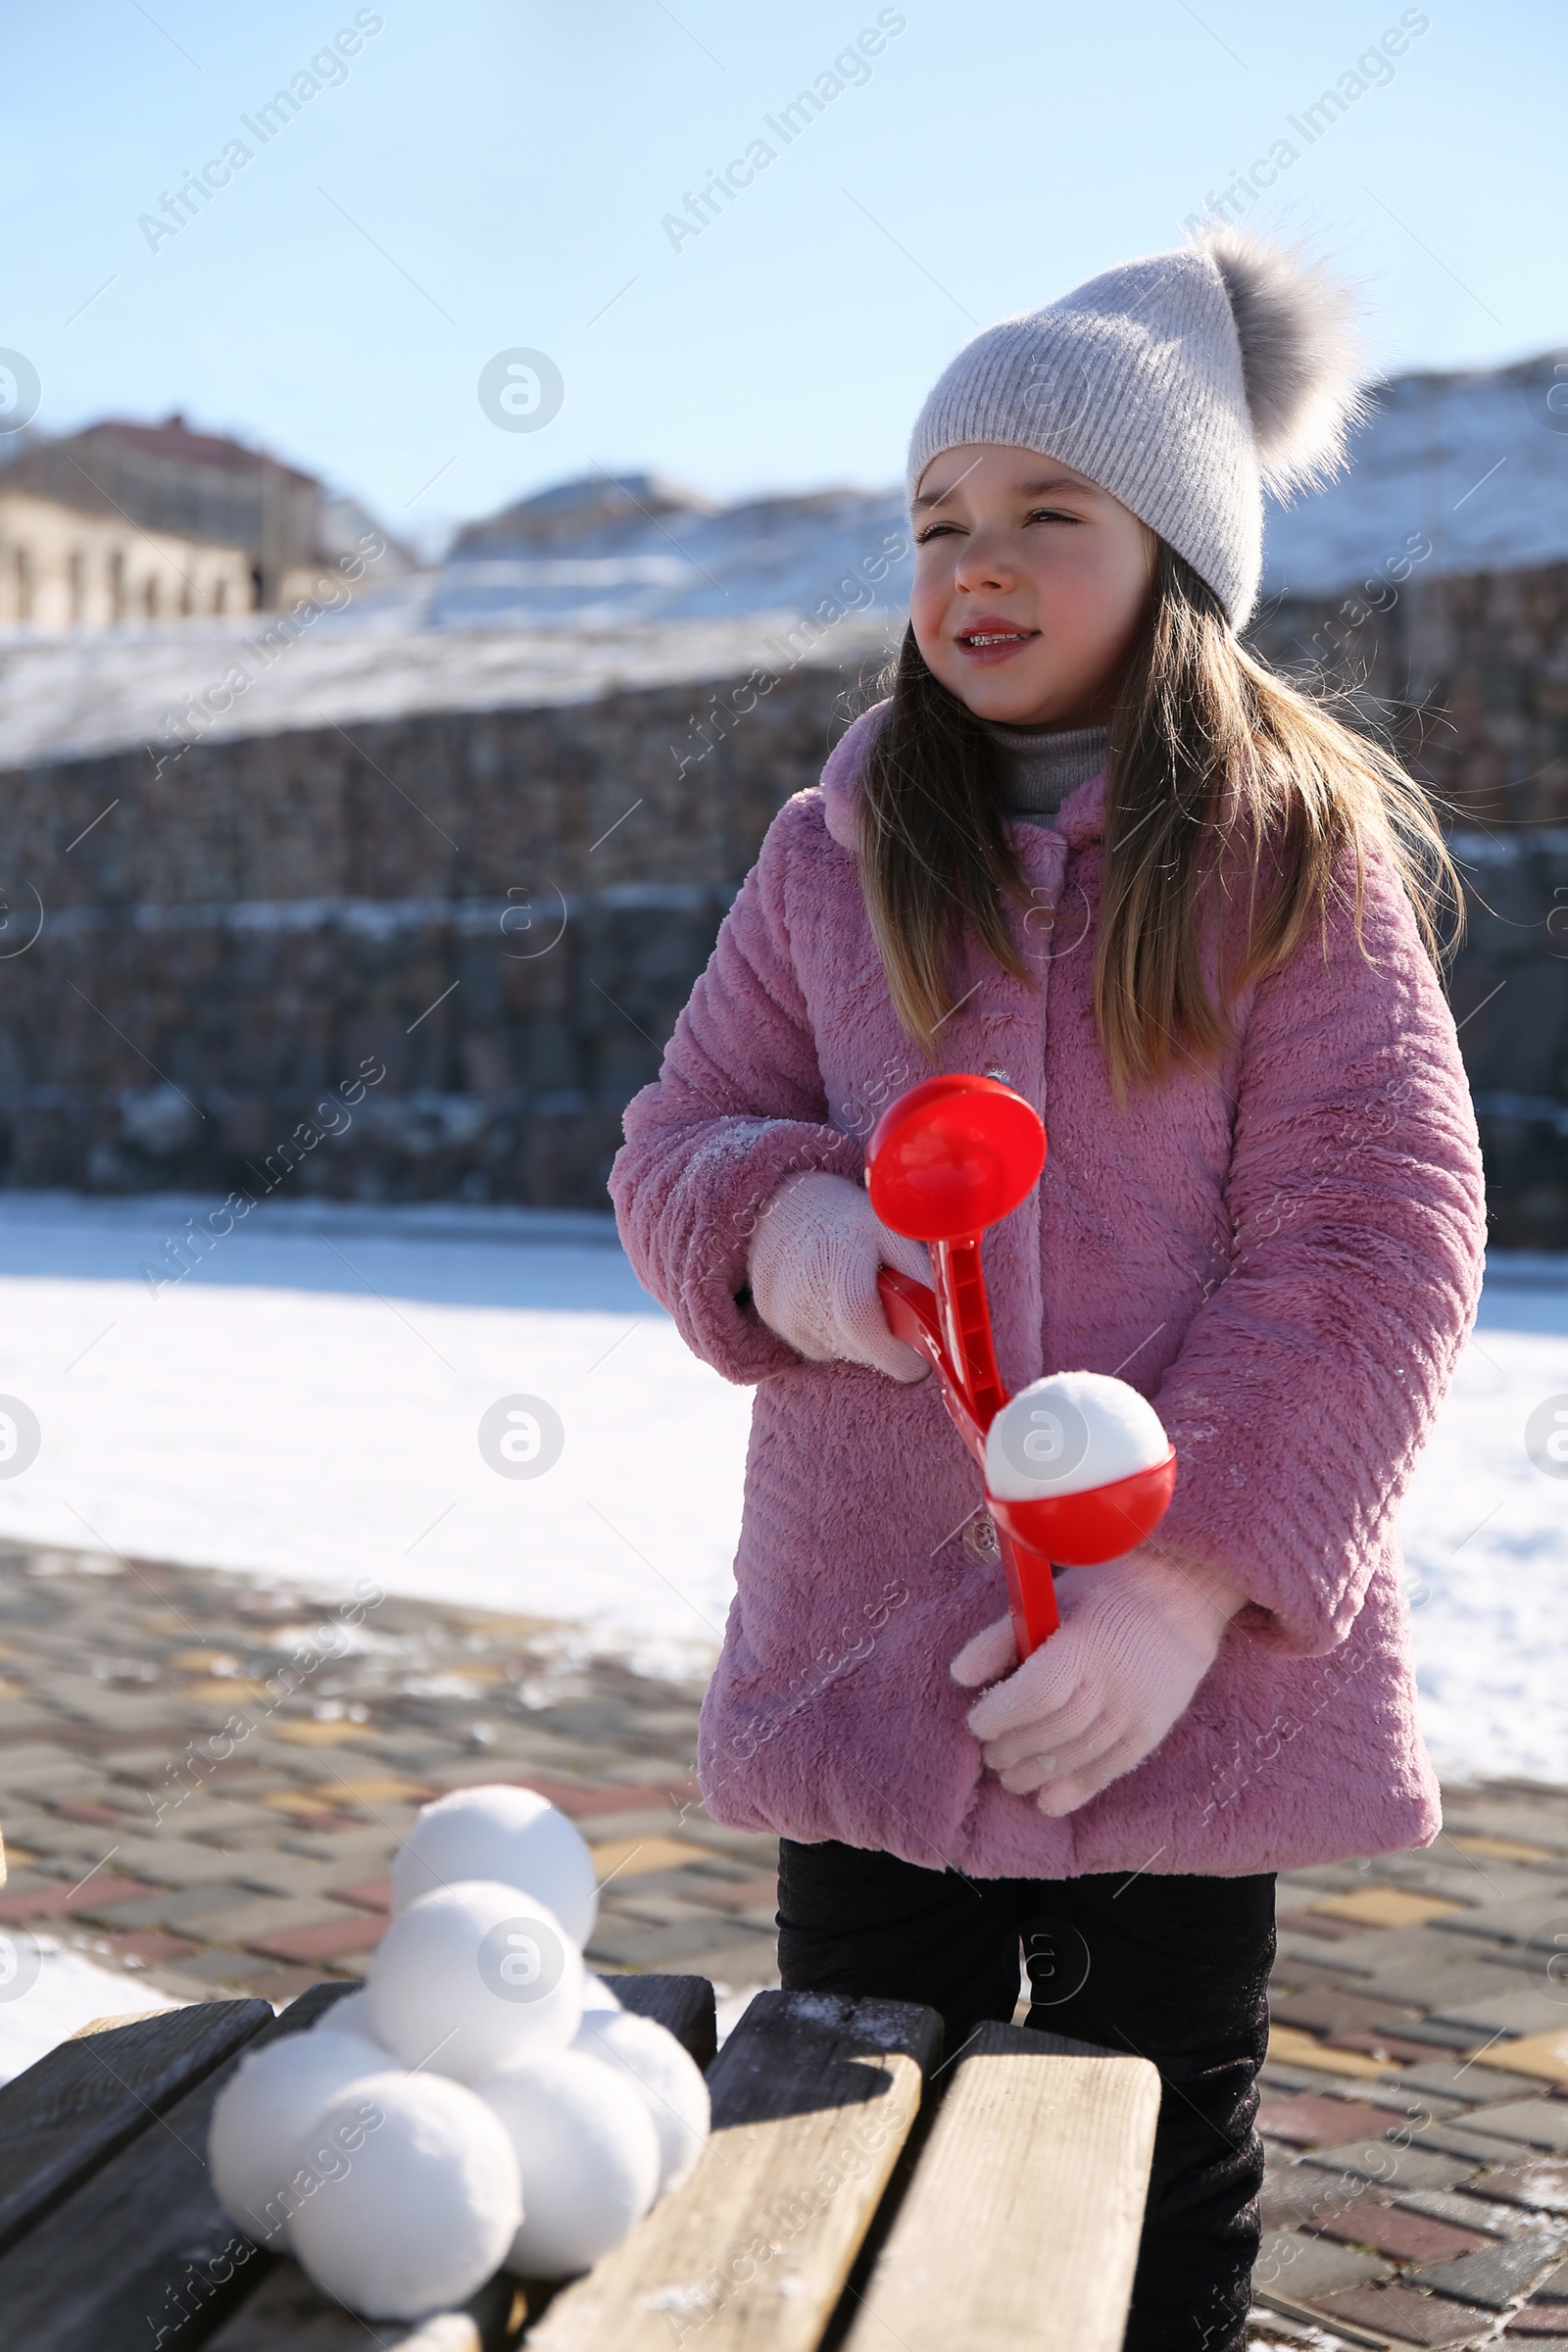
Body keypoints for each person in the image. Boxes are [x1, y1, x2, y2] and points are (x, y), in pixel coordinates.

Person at [610, 228, 1486, 2350]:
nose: (971, 564)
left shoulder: (1281, 856)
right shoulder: (832, 849)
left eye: (1041, 517)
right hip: (869, 1651)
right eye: (935, 522)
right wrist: (803, 1245)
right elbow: (675, 1147)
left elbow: (1375, 1227)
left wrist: (1180, 1584)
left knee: (1140, 2187)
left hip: (1166, 1706)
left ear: (1175, 550)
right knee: (827, 2145)